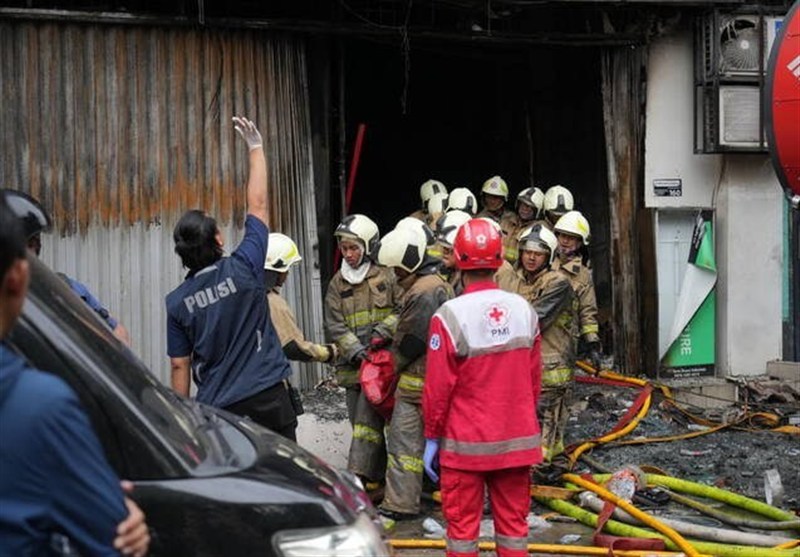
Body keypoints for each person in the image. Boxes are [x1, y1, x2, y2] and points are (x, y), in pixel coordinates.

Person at [0, 193, 149, 557]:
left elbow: (120, 337)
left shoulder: (69, 291)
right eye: (27, 247)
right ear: (20, 273)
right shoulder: (41, 407)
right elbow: (111, 536)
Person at [166, 116, 299, 441]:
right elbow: (259, 206)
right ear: (219, 239)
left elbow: (179, 367)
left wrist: (185, 425)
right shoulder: (246, 267)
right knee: (286, 484)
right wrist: (256, 149)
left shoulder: (177, 303)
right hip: (270, 398)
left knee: (239, 490)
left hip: (220, 412)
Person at [422, 218, 543, 557]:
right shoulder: (524, 311)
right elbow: (534, 383)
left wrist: (432, 436)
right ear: (500, 258)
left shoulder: (448, 317)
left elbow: (437, 389)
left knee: (462, 535)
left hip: (465, 448)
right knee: (514, 533)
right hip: (516, 444)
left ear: (458, 259)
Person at [375, 225, 454, 521]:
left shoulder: (424, 290)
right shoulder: (437, 283)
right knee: (444, 445)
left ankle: (401, 503)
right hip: (436, 382)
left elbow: (412, 341)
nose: (395, 275)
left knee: (404, 445)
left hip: (416, 383)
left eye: (397, 269)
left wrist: (390, 368)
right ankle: (450, 499)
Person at [324, 213, 402, 486]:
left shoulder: (387, 275)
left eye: (353, 248)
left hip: (383, 368)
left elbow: (403, 308)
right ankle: (374, 479)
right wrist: (354, 349)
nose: (348, 254)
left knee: (390, 425)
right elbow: (334, 324)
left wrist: (384, 332)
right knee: (361, 429)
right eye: (344, 248)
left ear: (368, 246)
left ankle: (389, 479)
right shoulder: (337, 284)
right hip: (353, 370)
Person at [2, 188, 131, 345]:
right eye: (27, 244)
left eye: (34, 243)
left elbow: (119, 332)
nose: (31, 253)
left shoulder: (66, 287)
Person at [516, 224, 578, 461]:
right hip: (529, 366)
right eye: (527, 251)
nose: (531, 257)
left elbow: (534, 320)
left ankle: (544, 472)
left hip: (552, 368)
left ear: (549, 256)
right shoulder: (519, 281)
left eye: (538, 253)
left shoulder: (558, 283)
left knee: (546, 431)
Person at [265, 232, 338, 363]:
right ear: (274, 270)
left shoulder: (243, 295)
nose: (286, 274)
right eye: (285, 269)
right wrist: (328, 352)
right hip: (264, 378)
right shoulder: (271, 302)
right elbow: (293, 347)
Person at [551, 210, 602, 369]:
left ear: (580, 243)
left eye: (571, 237)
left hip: (565, 338)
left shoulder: (583, 275)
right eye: (562, 236)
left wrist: (592, 342)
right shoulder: (542, 262)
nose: (565, 241)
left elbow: (587, 309)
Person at [476, 176, 518, 264]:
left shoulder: (514, 220)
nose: (491, 201)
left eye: (495, 197)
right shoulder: (477, 220)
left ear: (503, 198)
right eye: (488, 196)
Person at [434, 210, 472, 296]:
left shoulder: (468, 282)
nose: (444, 253)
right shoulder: (450, 271)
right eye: (443, 247)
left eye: (449, 249)